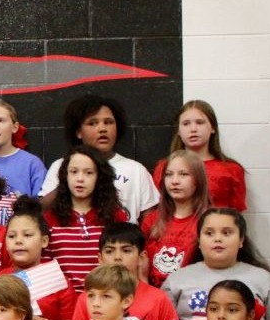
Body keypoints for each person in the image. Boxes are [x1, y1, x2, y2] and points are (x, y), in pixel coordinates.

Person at [40, 94, 158, 216]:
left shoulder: (136, 170)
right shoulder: (61, 165)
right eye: (93, 123)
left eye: (108, 122)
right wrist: (67, 181)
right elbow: (42, 210)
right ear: (79, 132)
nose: (102, 129)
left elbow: (149, 223)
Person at [45, 147, 128, 291]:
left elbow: (123, 263)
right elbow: (44, 264)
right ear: (65, 175)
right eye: (74, 172)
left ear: (99, 177)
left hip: (104, 297)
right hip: (63, 302)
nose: (80, 178)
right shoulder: (50, 217)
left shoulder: (115, 216)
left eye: (88, 173)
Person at [152, 100, 246, 211]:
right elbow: (158, 210)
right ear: (178, 130)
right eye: (186, 124)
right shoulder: (164, 167)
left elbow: (236, 216)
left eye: (200, 122)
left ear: (213, 128)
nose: (193, 129)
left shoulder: (231, 169)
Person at [141, 150, 211, 287]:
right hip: (155, 292)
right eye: (169, 175)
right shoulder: (152, 219)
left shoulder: (208, 220)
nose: (174, 181)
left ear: (198, 180)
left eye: (183, 174)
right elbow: (139, 259)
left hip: (191, 292)